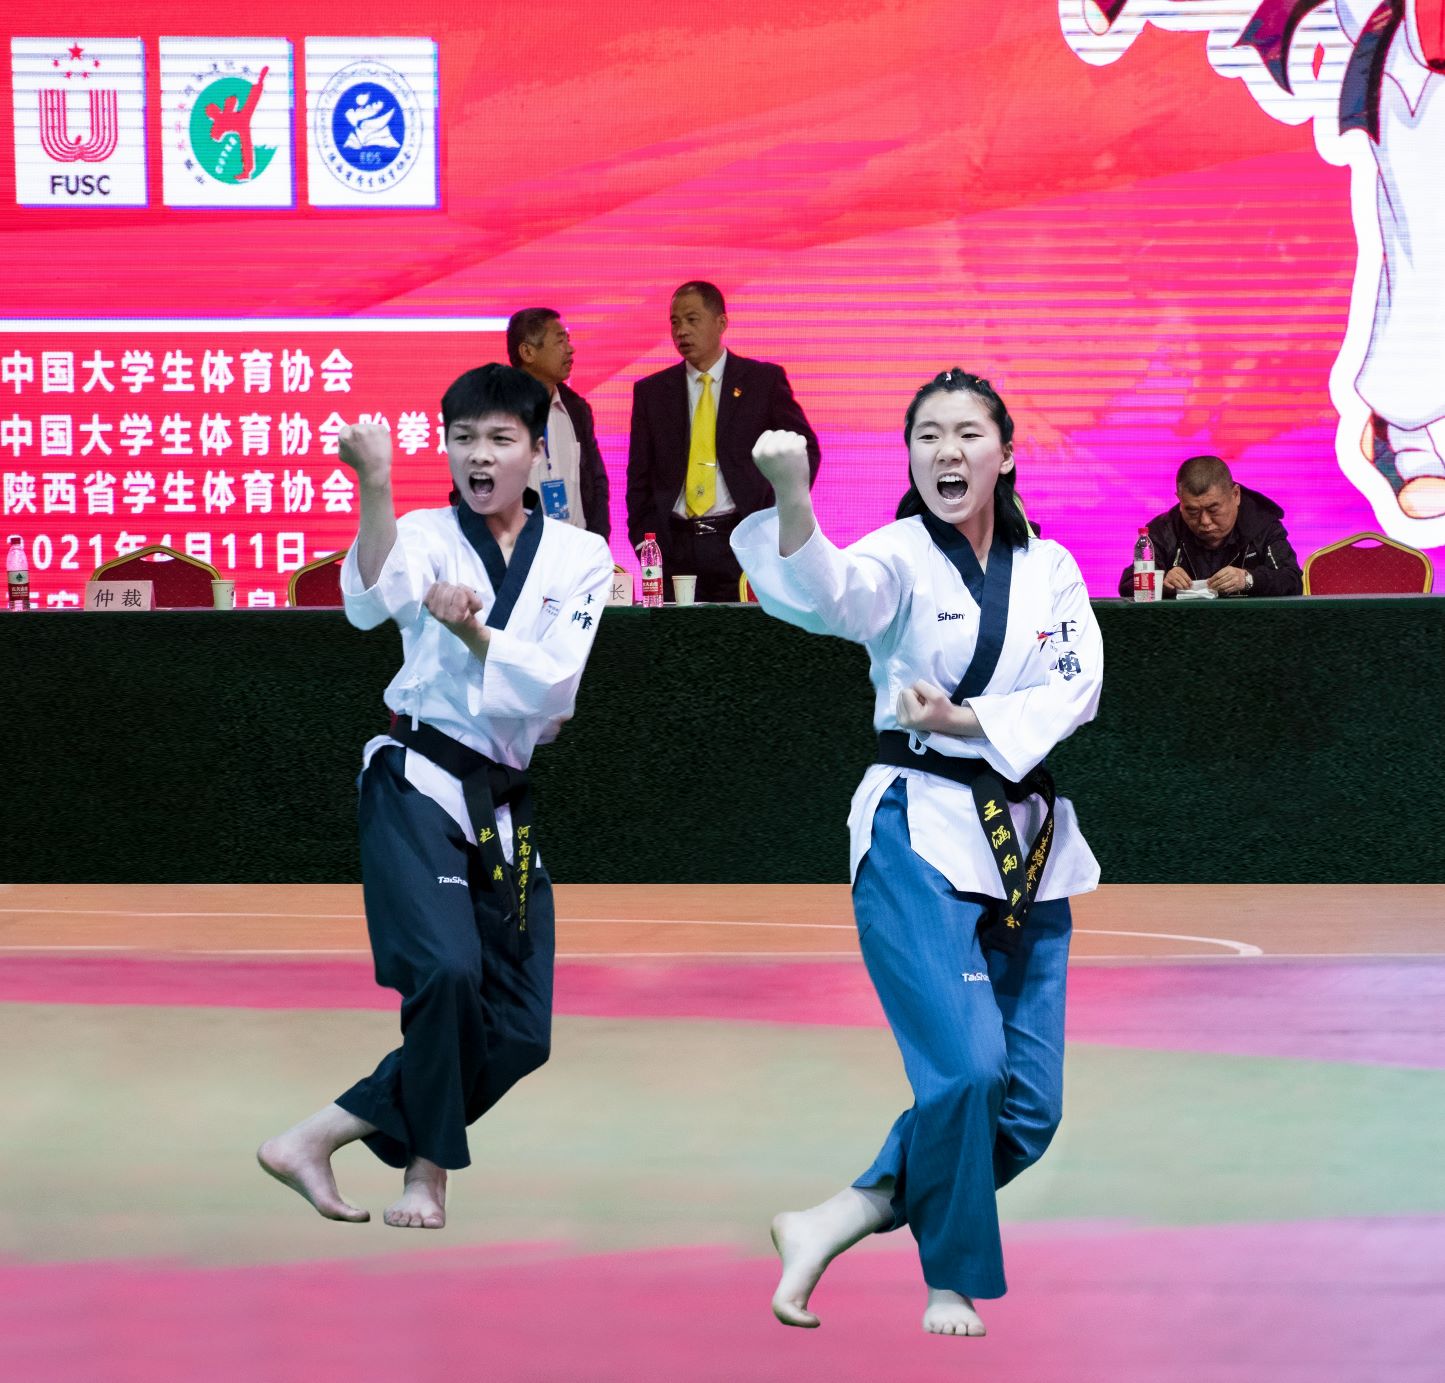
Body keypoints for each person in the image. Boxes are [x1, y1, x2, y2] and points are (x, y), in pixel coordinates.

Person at [732, 369, 1103, 1337]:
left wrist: (963, 717)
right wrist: (791, 497)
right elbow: (833, 599)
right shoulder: (895, 554)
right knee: (968, 1074)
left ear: (1005, 453)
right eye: (927, 434)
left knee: (1027, 1109)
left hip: (1024, 843)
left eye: (967, 433)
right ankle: (950, 1281)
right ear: (907, 456)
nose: (947, 450)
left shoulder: (1049, 567)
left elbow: (1076, 687)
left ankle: (842, 1213)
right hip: (916, 829)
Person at [257, 364, 611, 1229]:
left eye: (499, 439)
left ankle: (320, 1133)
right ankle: (427, 1176)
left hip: (501, 800)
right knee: (447, 973)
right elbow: (366, 604)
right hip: (416, 773)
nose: (479, 456)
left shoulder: (582, 556)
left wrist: (473, 631)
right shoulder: (421, 533)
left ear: (537, 451)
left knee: (520, 1027)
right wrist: (374, 486)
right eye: (462, 439)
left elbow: (555, 688)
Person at [626, 280, 820, 601]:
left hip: (743, 541)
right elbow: (639, 477)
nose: (681, 331)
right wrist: (643, 540)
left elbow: (805, 450)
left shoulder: (762, 382)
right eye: (675, 322)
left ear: (721, 322)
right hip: (674, 546)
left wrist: (781, 512)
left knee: (741, 631)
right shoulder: (652, 392)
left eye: (692, 320)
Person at [1116, 455, 1303, 598]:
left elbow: (1292, 581)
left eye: (1213, 509)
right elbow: (1127, 585)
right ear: (1180, 501)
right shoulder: (1164, 529)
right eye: (1192, 511)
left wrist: (1249, 580)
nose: (1204, 521)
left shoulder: (1263, 525)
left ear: (1235, 495)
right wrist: (1161, 582)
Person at [506, 308, 611, 538]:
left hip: (575, 549)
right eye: (560, 341)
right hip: (519, 551)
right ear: (528, 352)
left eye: (568, 339)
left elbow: (597, 482)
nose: (570, 349)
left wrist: (597, 541)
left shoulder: (576, 409)